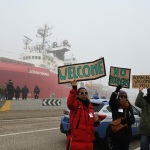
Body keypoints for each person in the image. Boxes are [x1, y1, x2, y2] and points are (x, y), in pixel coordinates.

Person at [66, 80, 99, 150]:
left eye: (85, 93)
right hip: (76, 143)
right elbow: (70, 103)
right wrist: (74, 88)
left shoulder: (90, 107)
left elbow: (91, 124)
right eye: (82, 93)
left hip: (88, 143)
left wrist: (96, 121)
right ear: (77, 95)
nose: (84, 94)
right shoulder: (75, 105)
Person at [109, 85, 135, 150]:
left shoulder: (129, 107)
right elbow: (111, 101)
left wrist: (128, 121)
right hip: (116, 135)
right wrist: (116, 91)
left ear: (126, 98)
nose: (123, 98)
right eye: (121, 96)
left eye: (125, 96)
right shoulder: (115, 106)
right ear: (119, 97)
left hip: (126, 136)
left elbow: (133, 119)